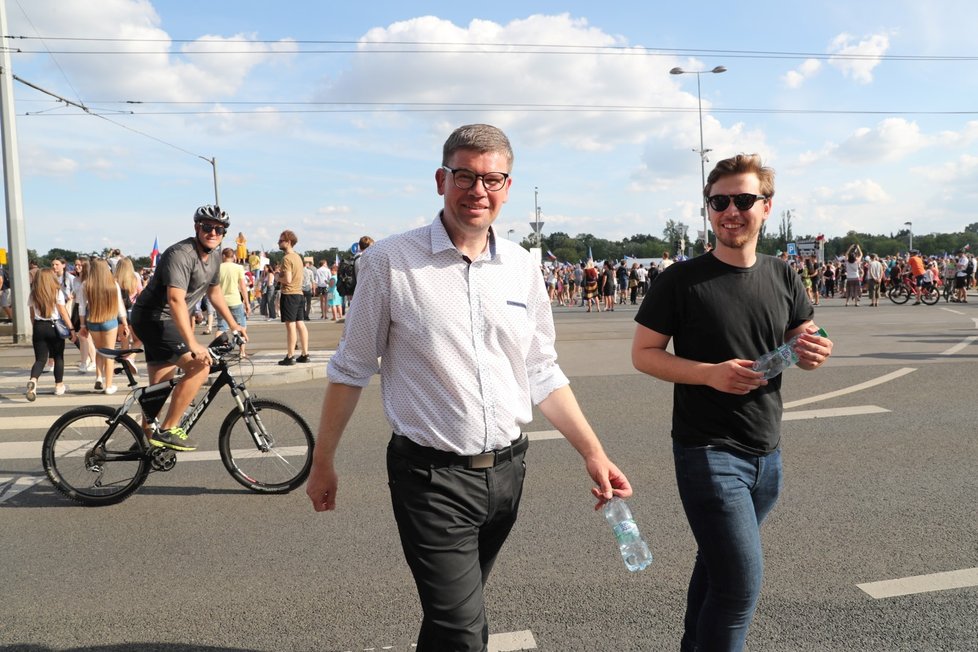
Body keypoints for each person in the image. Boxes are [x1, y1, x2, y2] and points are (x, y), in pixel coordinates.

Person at [305, 123, 632, 651]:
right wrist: (324, 462)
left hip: (507, 474)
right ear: (441, 180)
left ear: (507, 186)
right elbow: (351, 369)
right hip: (430, 478)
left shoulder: (524, 266)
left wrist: (594, 454)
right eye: (465, 176)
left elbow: (542, 370)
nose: (478, 190)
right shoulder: (389, 261)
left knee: (455, 614)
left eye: (492, 179)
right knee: (462, 629)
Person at [631, 153, 833, 652]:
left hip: (767, 452)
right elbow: (643, 355)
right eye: (718, 201)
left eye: (743, 200)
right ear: (708, 209)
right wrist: (710, 375)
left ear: (766, 206)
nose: (730, 211)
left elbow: (802, 342)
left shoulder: (784, 275)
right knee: (740, 587)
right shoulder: (679, 281)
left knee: (717, 570)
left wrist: (814, 352)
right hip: (708, 452)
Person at [130, 205, 247, 451]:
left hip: (165, 319)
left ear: (224, 233)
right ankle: (168, 430)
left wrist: (235, 323)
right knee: (200, 366)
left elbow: (214, 293)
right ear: (197, 228)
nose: (212, 232)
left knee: (160, 386)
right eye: (207, 227)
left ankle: (144, 439)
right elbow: (175, 300)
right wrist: (193, 344)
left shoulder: (215, 256)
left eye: (219, 229)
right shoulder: (180, 254)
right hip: (153, 318)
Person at [78, 259, 129, 395]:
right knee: (110, 353)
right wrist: (124, 323)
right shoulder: (113, 284)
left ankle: (99, 377)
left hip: (93, 321)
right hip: (109, 321)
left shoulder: (85, 284)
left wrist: (82, 325)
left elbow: (82, 307)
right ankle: (109, 385)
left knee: (100, 350)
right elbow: (119, 306)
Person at [26, 268, 76, 400]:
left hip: (38, 326)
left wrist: (36, 327)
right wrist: (71, 329)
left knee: (40, 359)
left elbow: (32, 316)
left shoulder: (33, 294)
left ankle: (34, 380)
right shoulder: (57, 292)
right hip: (54, 326)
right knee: (58, 357)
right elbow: (63, 312)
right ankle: (59, 386)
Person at [276, 230, 309, 366]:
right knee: (300, 324)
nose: (279, 243)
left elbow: (288, 279)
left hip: (289, 294)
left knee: (290, 326)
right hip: (299, 293)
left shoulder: (287, 258)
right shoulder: (298, 257)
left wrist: (278, 277)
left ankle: (290, 356)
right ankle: (305, 353)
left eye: (281, 240)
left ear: (288, 242)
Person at [215, 247, 250, 357]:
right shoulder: (238, 268)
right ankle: (242, 352)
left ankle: (218, 350)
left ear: (223, 256)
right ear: (233, 256)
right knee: (241, 326)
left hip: (221, 301)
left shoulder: (218, 268)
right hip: (235, 300)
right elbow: (243, 287)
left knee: (221, 327)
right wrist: (247, 303)